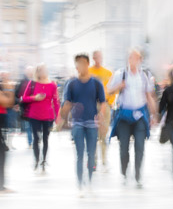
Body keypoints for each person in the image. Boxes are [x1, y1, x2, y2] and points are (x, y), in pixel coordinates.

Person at [108, 49, 157, 187]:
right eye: (131, 57)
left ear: (140, 60)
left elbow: (149, 96)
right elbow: (109, 90)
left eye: (136, 58)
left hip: (140, 115)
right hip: (124, 115)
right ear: (128, 59)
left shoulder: (144, 75)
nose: (133, 60)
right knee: (123, 147)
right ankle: (124, 172)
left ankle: (138, 175)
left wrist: (153, 114)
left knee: (140, 146)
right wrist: (119, 86)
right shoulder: (120, 74)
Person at [59, 54, 106, 196]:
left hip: (92, 123)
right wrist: (63, 118)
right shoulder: (71, 84)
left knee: (91, 154)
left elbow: (103, 101)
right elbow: (66, 102)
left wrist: (101, 114)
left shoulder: (96, 83)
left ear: (87, 64)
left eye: (83, 63)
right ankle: (80, 184)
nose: (81, 66)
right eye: (78, 64)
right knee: (80, 155)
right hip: (77, 123)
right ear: (76, 66)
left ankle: (90, 182)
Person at [22, 65, 60, 173]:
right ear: (37, 72)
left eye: (45, 70)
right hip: (34, 115)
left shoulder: (52, 85)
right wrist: (35, 98)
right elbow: (24, 98)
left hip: (48, 116)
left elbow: (56, 102)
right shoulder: (32, 83)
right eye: (41, 70)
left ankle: (44, 160)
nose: (43, 72)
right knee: (36, 138)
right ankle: (36, 159)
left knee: (45, 139)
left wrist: (58, 117)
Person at [89, 50, 115, 171]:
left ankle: (104, 159)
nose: (98, 58)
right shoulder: (88, 72)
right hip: (92, 106)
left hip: (105, 106)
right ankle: (93, 160)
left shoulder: (108, 73)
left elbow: (113, 89)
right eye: (96, 56)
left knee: (103, 134)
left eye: (100, 56)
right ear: (93, 58)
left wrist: (109, 103)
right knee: (93, 133)